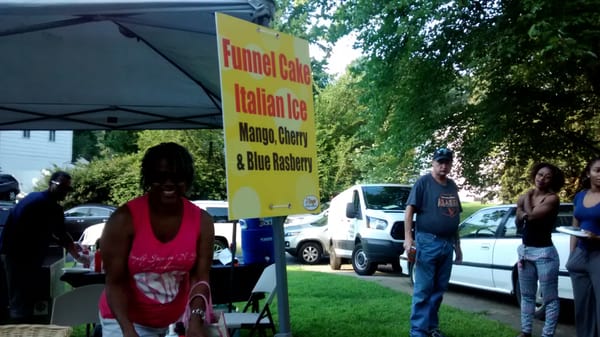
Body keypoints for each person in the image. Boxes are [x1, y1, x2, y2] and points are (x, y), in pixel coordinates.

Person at [98, 142, 215, 337]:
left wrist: (195, 320)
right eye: (160, 177)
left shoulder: (202, 221)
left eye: (177, 177)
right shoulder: (123, 220)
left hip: (170, 321)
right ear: (148, 178)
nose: (168, 183)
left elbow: (200, 278)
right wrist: (127, 330)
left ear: (187, 179)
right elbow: (114, 282)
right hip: (122, 320)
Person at [0, 171, 89, 323]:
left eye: (68, 189)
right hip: (21, 257)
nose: (65, 192)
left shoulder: (34, 197)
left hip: (11, 253)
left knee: (16, 296)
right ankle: (20, 328)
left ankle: (17, 325)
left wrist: (69, 244)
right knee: (21, 299)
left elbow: (42, 231)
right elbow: (62, 235)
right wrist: (80, 257)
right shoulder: (49, 206)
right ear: (51, 184)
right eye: (62, 187)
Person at [403, 147, 462, 337]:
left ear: (451, 164)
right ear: (433, 163)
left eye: (447, 162)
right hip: (427, 241)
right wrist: (408, 238)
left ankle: (431, 328)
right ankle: (418, 332)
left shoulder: (452, 186)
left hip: (447, 244)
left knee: (438, 290)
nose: (443, 166)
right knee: (423, 290)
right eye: (440, 162)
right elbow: (409, 211)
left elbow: (455, 217)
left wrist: (458, 246)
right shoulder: (423, 183)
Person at [515, 163, 565, 337]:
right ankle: (525, 331)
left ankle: (547, 334)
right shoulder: (524, 197)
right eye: (539, 174)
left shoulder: (552, 198)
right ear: (535, 174)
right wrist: (523, 213)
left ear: (553, 180)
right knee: (527, 296)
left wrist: (527, 199)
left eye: (547, 176)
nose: (541, 178)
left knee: (550, 299)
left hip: (545, 254)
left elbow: (533, 216)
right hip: (526, 252)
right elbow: (519, 222)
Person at [566, 157, 600, 337]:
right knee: (582, 307)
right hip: (580, 255)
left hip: (598, 255)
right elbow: (575, 226)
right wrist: (572, 255)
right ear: (589, 172)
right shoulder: (580, 196)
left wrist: (597, 237)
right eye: (597, 170)